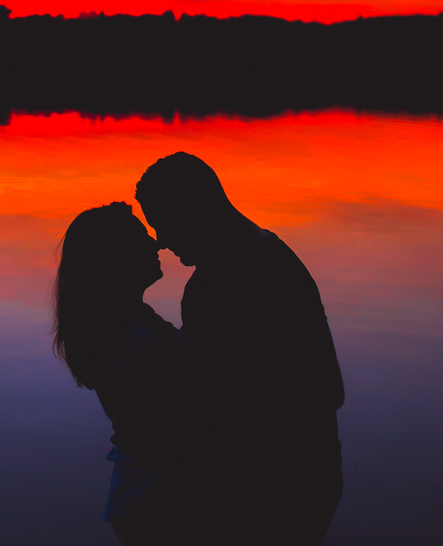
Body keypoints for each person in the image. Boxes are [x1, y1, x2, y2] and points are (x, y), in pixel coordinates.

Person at [135, 152, 345, 545]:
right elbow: (330, 388)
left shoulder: (220, 282)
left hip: (273, 484)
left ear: (195, 208)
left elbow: (209, 401)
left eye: (164, 225)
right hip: (309, 469)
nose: (162, 242)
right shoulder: (273, 254)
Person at [52, 202, 204, 546]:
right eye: (141, 238)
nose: (155, 244)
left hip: (146, 499)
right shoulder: (138, 346)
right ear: (114, 258)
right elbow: (187, 423)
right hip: (159, 509)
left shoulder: (127, 324)